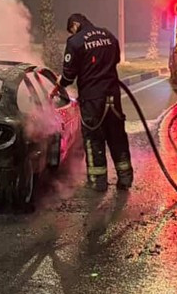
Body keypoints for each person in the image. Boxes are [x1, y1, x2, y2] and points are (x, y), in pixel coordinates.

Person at [52, 12, 133, 192]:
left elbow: (68, 75)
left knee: (94, 138)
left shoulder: (75, 42)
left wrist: (60, 83)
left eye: (70, 30)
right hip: (113, 95)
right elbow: (116, 59)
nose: (71, 34)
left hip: (92, 99)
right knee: (117, 136)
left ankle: (98, 183)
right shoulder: (108, 35)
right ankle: (125, 179)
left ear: (74, 25)